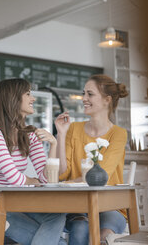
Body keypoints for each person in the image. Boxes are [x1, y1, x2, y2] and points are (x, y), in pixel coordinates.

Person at [0, 78, 66, 245]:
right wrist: (31, 180)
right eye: (28, 94)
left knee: (58, 214)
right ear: (13, 98)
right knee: (59, 243)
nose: (33, 99)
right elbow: (13, 178)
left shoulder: (29, 134)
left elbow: (46, 179)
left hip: (14, 204)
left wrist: (53, 144)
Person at [55, 74, 129, 245]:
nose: (84, 99)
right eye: (83, 93)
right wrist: (61, 134)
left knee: (101, 236)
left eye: (90, 94)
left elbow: (99, 177)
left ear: (107, 100)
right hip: (77, 206)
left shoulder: (118, 134)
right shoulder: (72, 128)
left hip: (110, 206)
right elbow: (61, 173)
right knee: (80, 229)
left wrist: (67, 184)